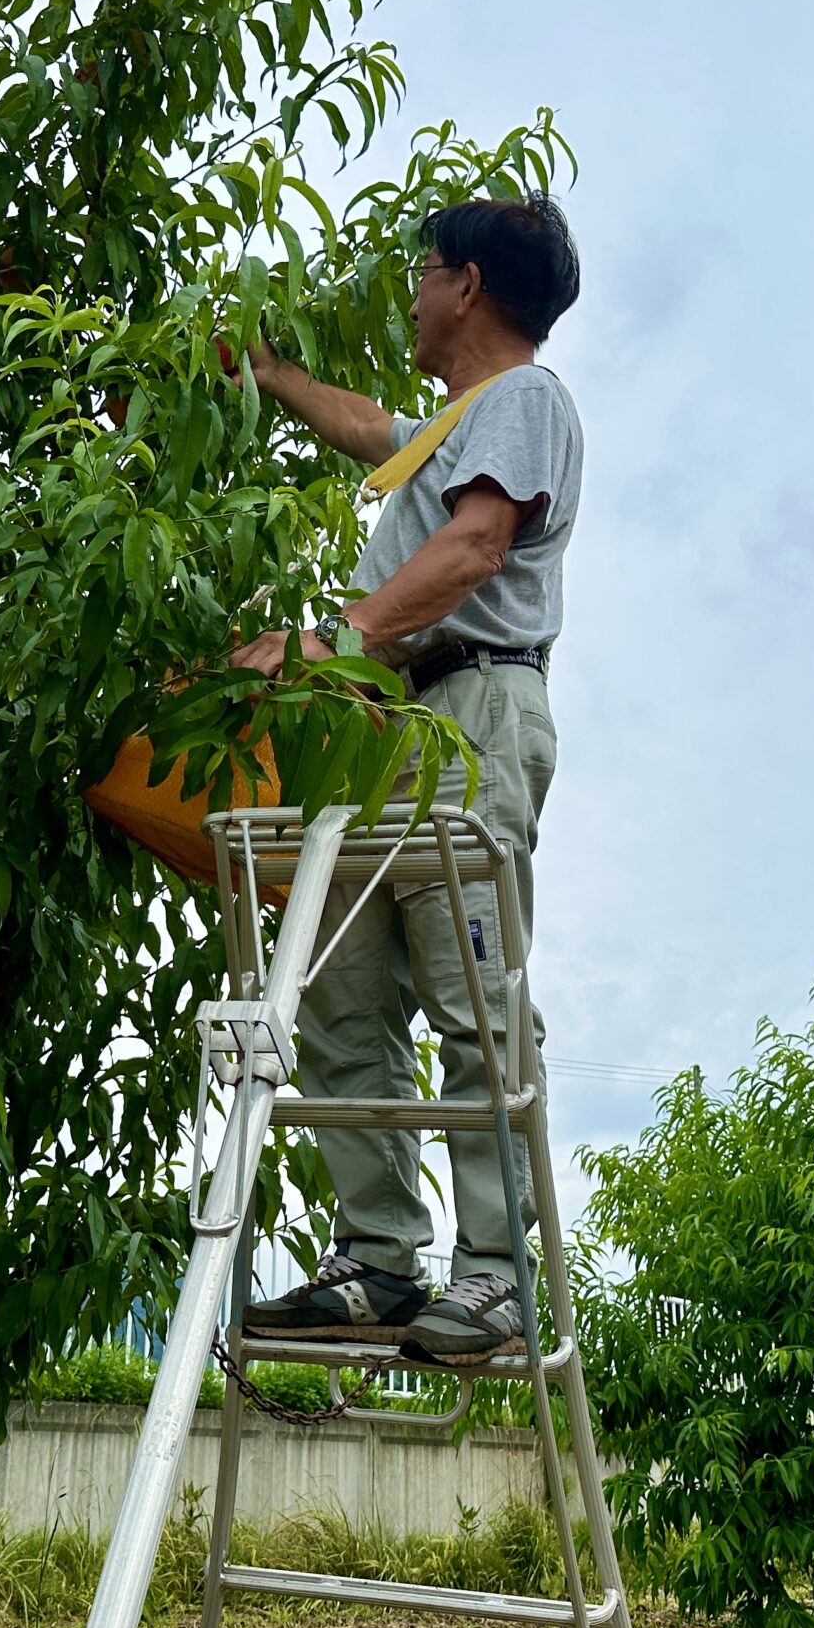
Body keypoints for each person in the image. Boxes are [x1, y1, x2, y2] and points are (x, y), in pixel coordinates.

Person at [228, 195, 583, 1364]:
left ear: (469, 284)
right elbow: (378, 434)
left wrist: (329, 640)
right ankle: (377, 1258)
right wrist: (271, 372)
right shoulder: (457, 422)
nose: (413, 293)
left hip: (470, 706)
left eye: (425, 271)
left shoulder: (524, 401)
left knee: (466, 993)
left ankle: (491, 1272)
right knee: (343, 992)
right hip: (393, 718)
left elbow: (475, 546)